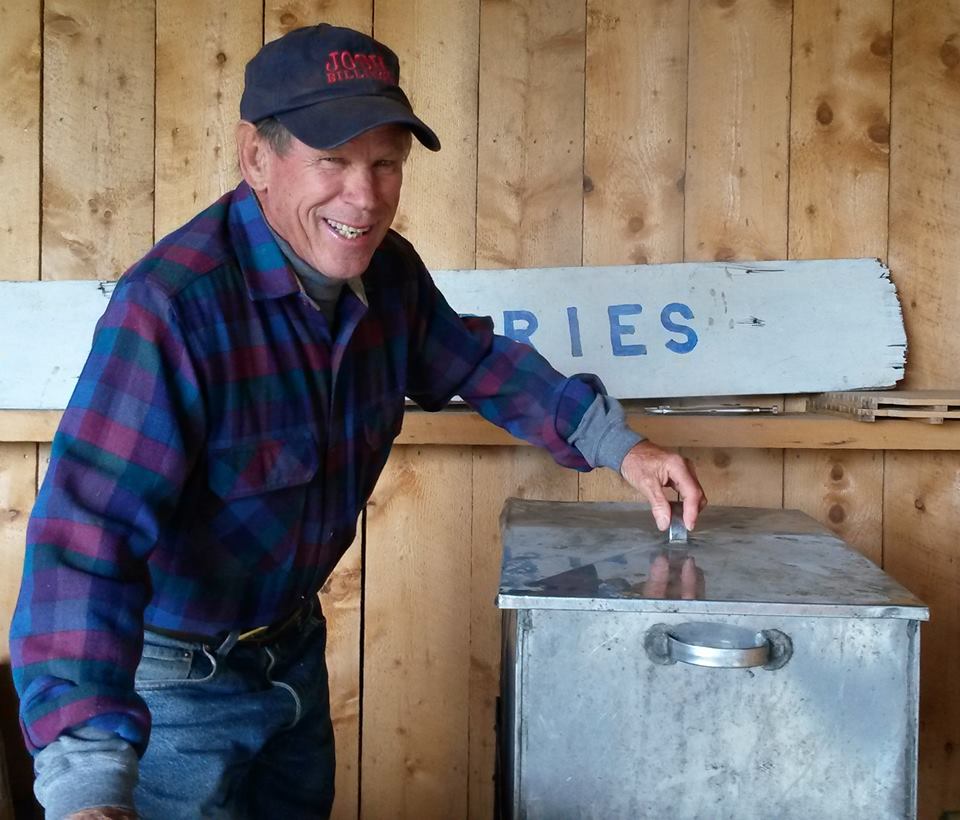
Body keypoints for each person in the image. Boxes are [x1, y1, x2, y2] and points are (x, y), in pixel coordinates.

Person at [11, 23, 706, 820]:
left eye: (386, 164)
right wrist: (90, 779)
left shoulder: (392, 279)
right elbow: (86, 539)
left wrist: (623, 447)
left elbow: (480, 364)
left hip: (293, 656)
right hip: (174, 693)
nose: (365, 197)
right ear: (256, 159)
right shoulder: (172, 309)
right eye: (332, 162)